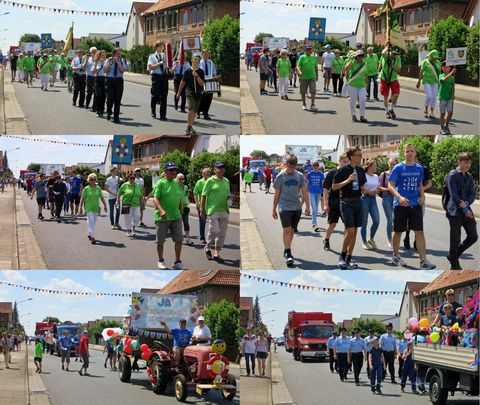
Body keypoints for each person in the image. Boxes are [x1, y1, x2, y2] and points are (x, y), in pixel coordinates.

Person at [388, 144, 436, 269]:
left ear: (415, 153)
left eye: (412, 151)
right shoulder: (398, 167)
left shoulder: (419, 168)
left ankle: (423, 261)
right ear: (404, 153)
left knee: (419, 232)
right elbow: (390, 185)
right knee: (398, 231)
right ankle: (396, 254)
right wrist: (399, 197)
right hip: (400, 205)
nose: (409, 153)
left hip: (415, 205)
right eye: (407, 151)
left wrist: (423, 196)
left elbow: (420, 183)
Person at [272, 154, 310, 267]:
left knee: (292, 231)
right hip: (284, 207)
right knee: (287, 230)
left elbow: (304, 192)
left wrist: (307, 207)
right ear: (286, 164)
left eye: (294, 167)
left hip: (297, 207)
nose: (292, 169)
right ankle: (288, 253)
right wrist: (273, 209)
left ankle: (286, 248)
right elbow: (277, 193)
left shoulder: (299, 176)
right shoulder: (280, 176)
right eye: (290, 167)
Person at [332, 147, 366, 269]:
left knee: (355, 232)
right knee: (350, 230)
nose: (361, 156)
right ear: (352, 157)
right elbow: (334, 187)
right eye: (359, 155)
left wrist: (363, 188)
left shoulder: (361, 170)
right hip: (346, 202)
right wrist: (347, 180)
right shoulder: (343, 170)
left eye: (361, 154)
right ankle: (342, 256)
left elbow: (362, 183)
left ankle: (349, 258)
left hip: (358, 202)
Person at [445, 152, 477, 270]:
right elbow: (454, 195)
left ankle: (453, 255)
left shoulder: (469, 176)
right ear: (459, 162)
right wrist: (464, 208)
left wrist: (467, 204)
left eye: (469, 162)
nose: (467, 164)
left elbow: (472, 194)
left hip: (466, 210)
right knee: (455, 239)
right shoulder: (452, 175)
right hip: (454, 211)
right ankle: (454, 265)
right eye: (465, 162)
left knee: (473, 236)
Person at [153, 162, 184, 270]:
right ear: (165, 172)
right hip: (163, 218)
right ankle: (161, 260)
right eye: (171, 170)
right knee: (160, 241)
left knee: (179, 239)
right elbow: (155, 198)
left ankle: (177, 261)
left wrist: (181, 210)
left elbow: (179, 198)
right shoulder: (160, 183)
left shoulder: (177, 183)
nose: (173, 172)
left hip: (176, 216)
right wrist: (161, 210)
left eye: (175, 170)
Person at [201, 161, 231, 262]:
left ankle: (217, 253)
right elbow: (204, 195)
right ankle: (208, 246)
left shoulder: (226, 181)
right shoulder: (210, 181)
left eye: (223, 168)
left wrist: (230, 198)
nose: (221, 169)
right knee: (214, 230)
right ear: (215, 170)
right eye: (219, 168)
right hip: (213, 210)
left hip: (224, 209)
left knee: (222, 233)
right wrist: (202, 209)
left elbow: (227, 195)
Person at [322, 154, 348, 251]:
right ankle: (326, 240)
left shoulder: (349, 174)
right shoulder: (332, 173)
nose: (346, 164)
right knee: (332, 224)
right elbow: (325, 188)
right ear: (340, 161)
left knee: (348, 225)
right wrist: (325, 204)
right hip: (334, 202)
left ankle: (345, 247)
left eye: (348, 162)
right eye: (345, 162)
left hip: (346, 203)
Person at [176, 54, 205, 135]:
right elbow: (182, 82)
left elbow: (202, 84)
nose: (196, 61)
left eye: (198, 60)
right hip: (189, 92)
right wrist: (178, 93)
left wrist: (197, 76)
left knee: (195, 111)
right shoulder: (187, 71)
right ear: (191, 60)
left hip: (198, 93)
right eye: (195, 59)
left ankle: (190, 125)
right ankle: (188, 127)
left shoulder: (201, 72)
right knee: (191, 108)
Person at [79, 173, 107, 244]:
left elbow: (101, 197)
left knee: (93, 222)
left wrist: (105, 205)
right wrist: (80, 208)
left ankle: (89, 233)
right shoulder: (86, 189)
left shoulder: (98, 188)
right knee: (91, 221)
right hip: (88, 207)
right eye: (91, 179)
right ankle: (92, 236)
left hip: (95, 207)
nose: (93, 181)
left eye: (94, 179)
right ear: (89, 180)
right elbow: (82, 198)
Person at [148, 41, 171, 120]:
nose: (162, 48)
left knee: (164, 96)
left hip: (164, 77)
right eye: (160, 46)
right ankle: (153, 110)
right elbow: (150, 67)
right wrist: (160, 63)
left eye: (163, 47)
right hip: (156, 76)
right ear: (156, 47)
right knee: (155, 94)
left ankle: (163, 115)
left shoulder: (166, 56)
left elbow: (170, 66)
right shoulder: (152, 56)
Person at [378, 158, 397, 248]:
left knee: (396, 220)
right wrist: (390, 189)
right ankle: (390, 240)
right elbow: (379, 187)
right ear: (388, 164)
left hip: (396, 198)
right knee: (390, 220)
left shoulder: (398, 173)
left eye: (394, 164)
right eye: (391, 164)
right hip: (387, 198)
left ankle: (393, 236)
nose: (392, 166)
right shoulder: (384, 174)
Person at [104, 48, 127, 123]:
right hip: (109, 80)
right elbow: (105, 70)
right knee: (110, 98)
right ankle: (109, 112)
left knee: (117, 100)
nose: (119, 55)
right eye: (117, 53)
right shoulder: (108, 60)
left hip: (119, 81)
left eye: (120, 53)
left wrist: (118, 62)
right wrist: (110, 63)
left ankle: (116, 117)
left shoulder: (122, 61)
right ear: (113, 54)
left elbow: (123, 70)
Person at [344, 50, 368, 122]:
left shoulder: (364, 64)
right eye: (359, 56)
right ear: (356, 56)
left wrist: (366, 84)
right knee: (353, 101)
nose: (360, 57)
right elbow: (346, 69)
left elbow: (366, 74)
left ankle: (362, 116)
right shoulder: (353, 63)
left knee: (363, 99)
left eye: (362, 55)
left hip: (362, 85)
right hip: (353, 85)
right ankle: (353, 115)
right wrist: (351, 60)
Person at [417, 49, 441, 119]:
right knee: (429, 96)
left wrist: (439, 83)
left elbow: (439, 73)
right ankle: (426, 110)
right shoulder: (425, 62)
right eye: (433, 56)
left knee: (434, 97)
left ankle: (432, 112)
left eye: (436, 57)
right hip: (426, 81)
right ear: (430, 55)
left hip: (435, 81)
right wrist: (418, 82)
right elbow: (421, 72)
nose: (435, 58)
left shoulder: (438, 63)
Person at [361, 160, 380, 250]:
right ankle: (364, 241)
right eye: (375, 165)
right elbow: (361, 188)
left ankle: (371, 239)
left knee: (376, 221)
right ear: (370, 166)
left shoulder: (376, 176)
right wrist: (370, 192)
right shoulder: (363, 175)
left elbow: (378, 187)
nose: (376, 167)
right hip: (364, 199)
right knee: (364, 222)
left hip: (373, 200)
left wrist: (378, 190)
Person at [117, 172, 143, 237]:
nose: (132, 179)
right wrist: (117, 201)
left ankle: (133, 228)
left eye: (133, 178)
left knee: (137, 217)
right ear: (128, 178)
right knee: (127, 218)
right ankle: (129, 231)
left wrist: (142, 203)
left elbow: (140, 195)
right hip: (126, 204)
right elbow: (119, 193)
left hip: (136, 204)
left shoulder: (138, 185)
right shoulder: (124, 185)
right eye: (131, 178)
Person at [379, 46, 401, 119]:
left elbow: (398, 70)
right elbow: (382, 53)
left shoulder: (398, 58)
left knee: (396, 94)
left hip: (393, 78)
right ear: (391, 52)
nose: (394, 55)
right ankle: (386, 111)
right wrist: (387, 47)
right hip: (384, 78)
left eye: (396, 54)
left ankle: (391, 108)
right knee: (386, 95)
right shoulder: (387, 55)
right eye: (393, 53)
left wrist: (392, 65)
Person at [296, 45, 318, 111]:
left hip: (312, 77)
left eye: (310, 49)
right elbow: (298, 66)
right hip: (303, 77)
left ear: (311, 50)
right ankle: (304, 104)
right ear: (305, 50)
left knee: (313, 91)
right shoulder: (302, 57)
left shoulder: (313, 57)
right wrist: (299, 72)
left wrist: (317, 75)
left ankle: (312, 104)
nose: (309, 50)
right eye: (307, 49)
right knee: (303, 92)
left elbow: (316, 67)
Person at [193, 168, 211, 244]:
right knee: (202, 222)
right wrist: (197, 203)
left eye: (209, 173)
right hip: (202, 206)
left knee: (212, 223)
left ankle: (210, 238)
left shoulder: (212, 181)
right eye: (206, 173)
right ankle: (202, 237)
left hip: (211, 206)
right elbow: (195, 193)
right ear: (202, 174)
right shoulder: (199, 182)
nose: (207, 174)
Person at [306, 161, 325, 233]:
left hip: (319, 192)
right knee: (314, 208)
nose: (315, 168)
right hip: (311, 192)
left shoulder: (321, 174)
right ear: (312, 167)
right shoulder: (310, 173)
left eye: (316, 166)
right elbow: (308, 183)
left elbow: (323, 183)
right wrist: (306, 192)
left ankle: (314, 222)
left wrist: (325, 192)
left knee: (316, 208)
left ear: (318, 167)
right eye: (314, 167)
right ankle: (314, 223)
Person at [198, 50, 218, 120]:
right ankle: (198, 111)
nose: (206, 56)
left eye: (207, 54)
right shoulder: (199, 63)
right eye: (205, 54)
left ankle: (206, 113)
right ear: (202, 55)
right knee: (202, 98)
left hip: (210, 82)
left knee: (209, 98)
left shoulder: (211, 63)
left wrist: (215, 76)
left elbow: (214, 72)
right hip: (202, 82)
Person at [438, 62, 456, 135]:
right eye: (445, 67)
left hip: (449, 98)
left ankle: (446, 125)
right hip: (442, 98)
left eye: (448, 66)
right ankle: (442, 127)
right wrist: (451, 72)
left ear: (450, 68)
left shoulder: (452, 78)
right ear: (442, 68)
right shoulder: (441, 75)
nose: (446, 68)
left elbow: (453, 87)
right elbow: (444, 80)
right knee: (442, 114)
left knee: (450, 112)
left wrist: (453, 95)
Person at [177, 173, 194, 246]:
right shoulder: (175, 187)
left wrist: (187, 204)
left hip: (185, 207)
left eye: (183, 179)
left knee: (186, 223)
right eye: (180, 179)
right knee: (179, 223)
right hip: (177, 208)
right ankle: (180, 237)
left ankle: (187, 238)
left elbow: (186, 197)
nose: (181, 180)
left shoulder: (186, 187)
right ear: (177, 179)